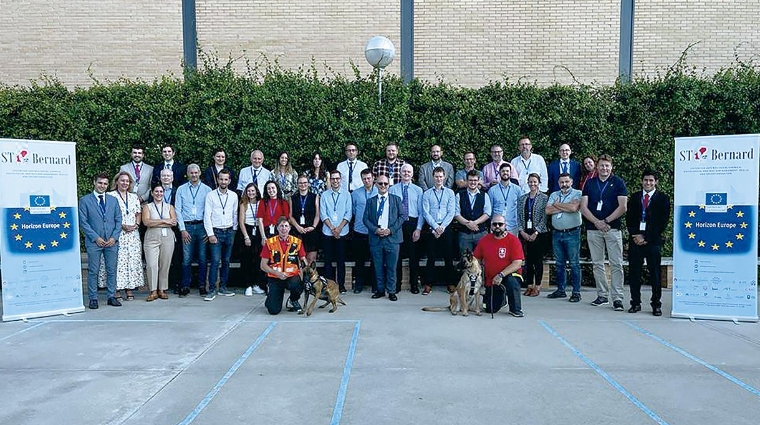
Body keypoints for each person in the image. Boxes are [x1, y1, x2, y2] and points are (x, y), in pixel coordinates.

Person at [580, 154, 628, 310]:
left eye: (607, 165)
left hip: (612, 229)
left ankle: (618, 298)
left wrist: (606, 221)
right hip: (593, 229)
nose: (604, 168)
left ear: (611, 167)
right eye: (601, 165)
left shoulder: (618, 183)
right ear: (597, 166)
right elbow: (583, 207)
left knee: (616, 264)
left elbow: (623, 207)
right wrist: (596, 222)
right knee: (597, 264)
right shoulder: (590, 183)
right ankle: (602, 295)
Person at [626, 170, 670, 316]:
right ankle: (635, 303)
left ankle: (656, 305)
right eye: (645, 180)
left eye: (651, 180)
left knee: (655, 275)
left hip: (652, 242)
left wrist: (646, 238)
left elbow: (662, 222)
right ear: (642, 181)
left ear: (656, 182)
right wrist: (636, 235)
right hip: (635, 241)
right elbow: (629, 219)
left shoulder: (663, 198)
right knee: (634, 274)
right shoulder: (634, 197)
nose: (648, 183)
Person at [79, 173, 123, 309]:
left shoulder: (113, 200)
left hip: (111, 241)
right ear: (94, 182)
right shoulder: (85, 200)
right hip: (94, 242)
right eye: (100, 183)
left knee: (111, 269)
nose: (102, 186)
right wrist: (95, 237)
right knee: (93, 270)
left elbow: (118, 220)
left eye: (105, 184)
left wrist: (113, 238)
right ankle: (93, 298)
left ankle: (111, 296)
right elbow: (83, 222)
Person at [97, 171, 143, 301]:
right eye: (122, 180)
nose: (124, 183)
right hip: (117, 233)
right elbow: (106, 216)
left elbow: (138, 213)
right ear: (116, 181)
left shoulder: (134, 197)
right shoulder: (110, 196)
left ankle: (129, 288)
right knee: (117, 262)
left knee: (131, 261)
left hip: (133, 234)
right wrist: (121, 225)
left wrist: (136, 225)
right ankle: (116, 289)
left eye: (127, 181)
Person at [473, 214, 524, 317]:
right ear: (491, 226)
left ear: (505, 226)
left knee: (512, 282)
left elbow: (518, 263)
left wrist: (501, 275)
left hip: (508, 275)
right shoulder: (484, 240)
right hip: (491, 279)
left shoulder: (513, 240)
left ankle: (515, 309)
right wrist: (477, 269)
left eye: (500, 224)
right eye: (494, 224)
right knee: (489, 309)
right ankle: (502, 301)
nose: (497, 226)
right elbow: (476, 258)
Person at [364, 174, 404, 301]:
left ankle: (391, 291)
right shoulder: (370, 201)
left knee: (392, 267)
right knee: (378, 266)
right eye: (380, 183)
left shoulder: (396, 199)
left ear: (389, 185)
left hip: (392, 238)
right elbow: (365, 219)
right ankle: (380, 290)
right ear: (376, 184)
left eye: (385, 184)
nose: (383, 186)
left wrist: (390, 230)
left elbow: (402, 216)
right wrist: (376, 230)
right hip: (376, 238)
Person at [545, 173, 583, 302]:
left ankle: (576, 292)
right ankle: (561, 290)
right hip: (557, 233)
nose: (564, 184)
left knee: (574, 264)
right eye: (561, 182)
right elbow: (547, 211)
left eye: (566, 182)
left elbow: (574, 208)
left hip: (572, 233)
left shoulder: (577, 193)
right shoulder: (554, 194)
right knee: (559, 263)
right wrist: (565, 207)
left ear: (571, 182)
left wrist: (557, 205)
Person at [175, 164, 212, 297]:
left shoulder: (207, 190)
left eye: (196, 172)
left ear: (200, 173)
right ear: (187, 173)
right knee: (186, 259)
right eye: (191, 173)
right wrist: (182, 229)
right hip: (187, 226)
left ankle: (202, 286)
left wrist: (209, 231)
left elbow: (210, 212)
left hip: (202, 226)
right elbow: (178, 210)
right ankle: (185, 286)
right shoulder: (181, 189)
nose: (194, 175)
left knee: (202, 258)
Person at [260, 217, 308, 315]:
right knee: (273, 311)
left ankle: (293, 300)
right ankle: (271, 298)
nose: (284, 228)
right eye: (281, 226)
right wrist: (277, 273)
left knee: (297, 284)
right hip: (275, 277)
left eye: (286, 226)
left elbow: (304, 261)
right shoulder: (269, 243)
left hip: (291, 276)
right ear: (277, 228)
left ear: (290, 228)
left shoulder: (297, 242)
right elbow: (263, 265)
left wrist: (305, 277)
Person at [420, 167, 456, 295]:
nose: (439, 179)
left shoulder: (450, 193)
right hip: (432, 228)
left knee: (448, 257)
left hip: (446, 228)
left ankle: (450, 283)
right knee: (431, 257)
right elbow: (425, 212)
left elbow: (451, 212)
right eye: (436, 176)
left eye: (441, 176)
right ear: (433, 177)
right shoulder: (427, 193)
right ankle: (428, 284)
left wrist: (442, 227)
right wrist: (435, 227)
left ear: (444, 177)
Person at [203, 169, 239, 301]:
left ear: (229, 181)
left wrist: (234, 229)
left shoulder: (234, 195)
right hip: (216, 232)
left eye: (226, 179)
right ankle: (212, 289)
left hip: (229, 231)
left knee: (226, 261)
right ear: (218, 180)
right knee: (214, 261)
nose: (223, 181)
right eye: (221, 179)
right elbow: (207, 215)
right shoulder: (211, 195)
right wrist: (210, 234)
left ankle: (223, 287)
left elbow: (235, 213)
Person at [389, 163, 423, 294]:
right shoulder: (393, 189)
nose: (406, 174)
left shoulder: (418, 190)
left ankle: (414, 285)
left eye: (409, 172)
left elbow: (421, 212)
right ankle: (396, 285)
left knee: (414, 257)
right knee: (396, 256)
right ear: (400, 173)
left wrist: (418, 228)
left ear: (412, 174)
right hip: (398, 225)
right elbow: (391, 211)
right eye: (404, 171)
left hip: (412, 224)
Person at [142, 183, 178, 301]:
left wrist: (156, 221)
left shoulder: (169, 207)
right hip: (151, 237)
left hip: (167, 236)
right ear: (152, 193)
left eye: (161, 192)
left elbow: (174, 222)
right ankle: (153, 290)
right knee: (152, 264)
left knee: (165, 264)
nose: (159, 194)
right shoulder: (147, 207)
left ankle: (162, 289)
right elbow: (147, 222)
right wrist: (164, 221)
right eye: (156, 191)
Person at [516, 173, 550, 297]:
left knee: (538, 261)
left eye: (535, 182)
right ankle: (529, 285)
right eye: (530, 182)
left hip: (539, 234)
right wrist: (522, 231)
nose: (533, 184)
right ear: (527, 182)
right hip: (525, 233)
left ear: (539, 183)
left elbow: (544, 217)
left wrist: (536, 232)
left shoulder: (544, 198)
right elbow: (519, 216)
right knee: (528, 261)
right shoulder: (522, 198)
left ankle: (537, 286)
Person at [320, 170, 352, 293]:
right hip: (328, 232)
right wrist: (332, 228)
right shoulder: (324, 195)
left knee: (341, 260)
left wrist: (339, 228)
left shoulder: (347, 195)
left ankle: (341, 285)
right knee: (327, 261)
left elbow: (348, 213)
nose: (335, 181)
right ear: (330, 180)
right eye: (333, 179)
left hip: (342, 232)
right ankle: (329, 285)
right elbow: (323, 214)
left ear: (341, 180)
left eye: (337, 178)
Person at [350, 169, 377, 293]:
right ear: (361, 179)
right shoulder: (355, 193)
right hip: (359, 231)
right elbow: (354, 211)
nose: (367, 180)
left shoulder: (379, 191)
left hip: (374, 231)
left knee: (375, 260)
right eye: (364, 178)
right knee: (359, 260)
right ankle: (359, 285)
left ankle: (375, 285)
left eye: (369, 178)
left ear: (373, 178)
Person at [453, 170, 491, 254]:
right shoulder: (459, 195)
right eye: (470, 180)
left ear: (478, 181)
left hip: (481, 233)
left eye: (475, 180)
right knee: (465, 261)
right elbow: (456, 214)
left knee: (482, 259)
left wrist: (474, 223)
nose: (473, 182)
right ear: (466, 181)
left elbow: (487, 213)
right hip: (464, 234)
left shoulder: (485, 195)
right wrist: (468, 224)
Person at [239, 183, 267, 296]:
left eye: (253, 191)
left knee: (258, 260)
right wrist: (246, 236)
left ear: (257, 191)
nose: (251, 193)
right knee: (247, 260)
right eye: (249, 191)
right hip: (247, 231)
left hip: (259, 231)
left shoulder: (261, 203)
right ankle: (248, 285)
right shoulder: (243, 204)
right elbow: (241, 222)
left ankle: (256, 284)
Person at [288, 175, 320, 265]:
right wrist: (297, 227)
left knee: (311, 260)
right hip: (297, 231)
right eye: (300, 183)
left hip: (311, 230)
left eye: (305, 182)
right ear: (297, 184)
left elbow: (317, 215)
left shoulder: (315, 197)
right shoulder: (292, 198)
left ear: (308, 184)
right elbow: (290, 216)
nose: (303, 185)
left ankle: (310, 279)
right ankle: (300, 279)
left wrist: (313, 226)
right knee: (299, 260)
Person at [488, 162, 521, 235]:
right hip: (497, 227)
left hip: (513, 226)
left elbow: (520, 208)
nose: (505, 173)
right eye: (503, 171)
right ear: (499, 173)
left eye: (507, 171)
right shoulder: (492, 190)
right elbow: (490, 210)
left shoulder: (517, 189)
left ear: (510, 173)